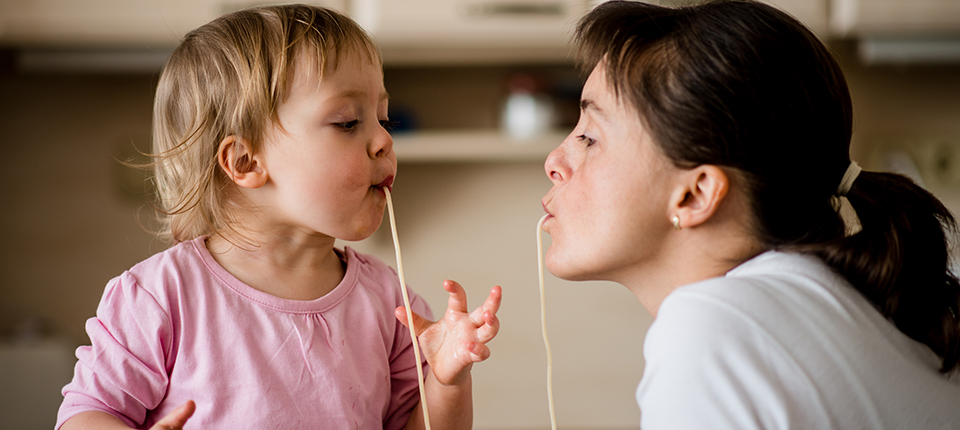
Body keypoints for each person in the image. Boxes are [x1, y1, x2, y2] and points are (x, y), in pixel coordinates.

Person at [56, 4, 501, 429]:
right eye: (348, 122)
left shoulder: (391, 304)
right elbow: (86, 415)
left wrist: (446, 381)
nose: (384, 139)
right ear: (246, 163)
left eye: (384, 118)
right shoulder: (160, 296)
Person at [539, 0, 960, 428]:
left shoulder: (712, 330)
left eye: (589, 137)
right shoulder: (844, 304)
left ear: (696, 194)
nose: (554, 160)